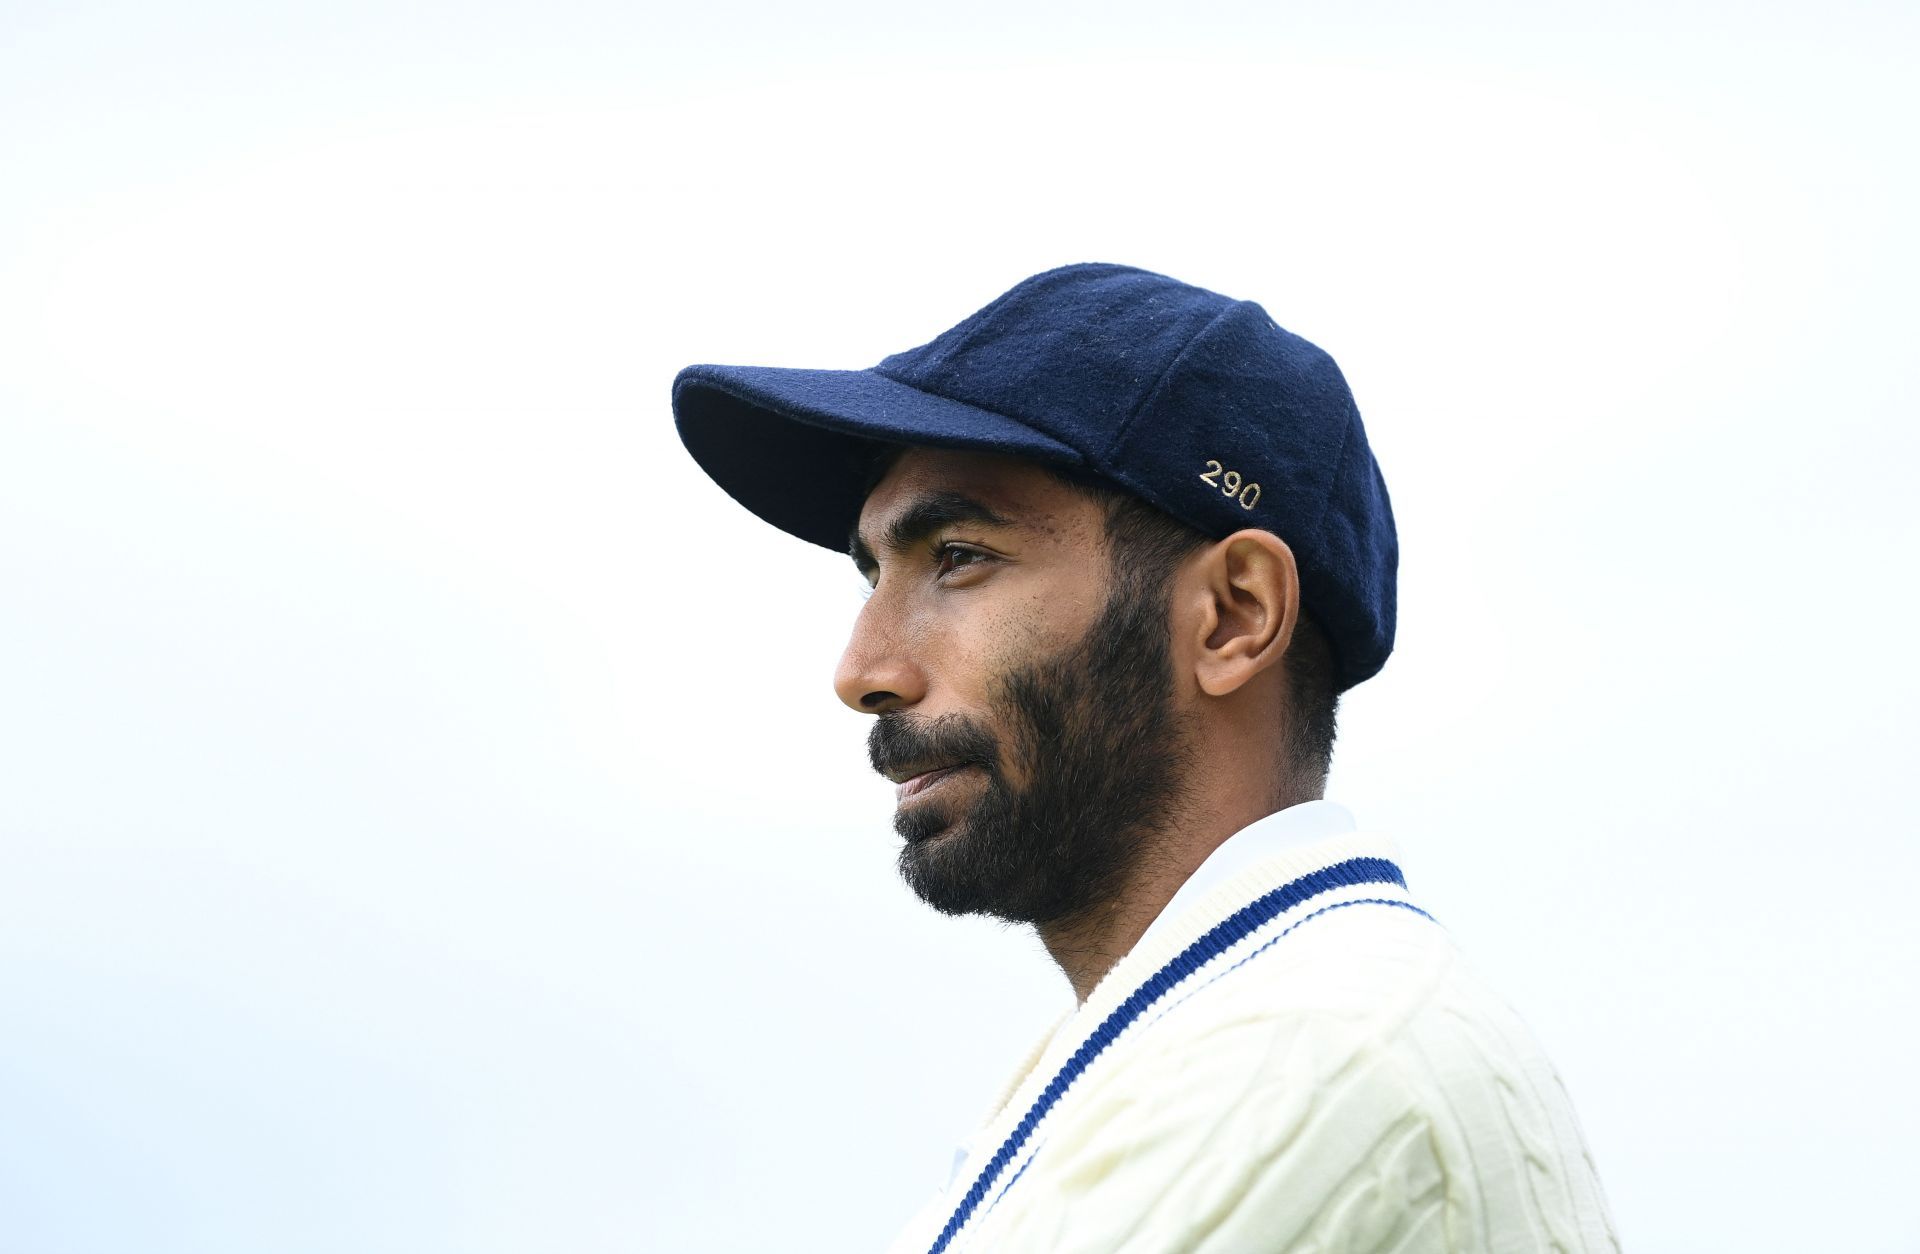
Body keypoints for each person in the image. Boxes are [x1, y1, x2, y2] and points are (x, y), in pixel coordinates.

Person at [671, 263, 1619, 1254]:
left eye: (958, 556)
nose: (863, 670)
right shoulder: (1200, 1046)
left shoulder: (1313, 1061)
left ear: (1233, 617)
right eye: (874, 574)